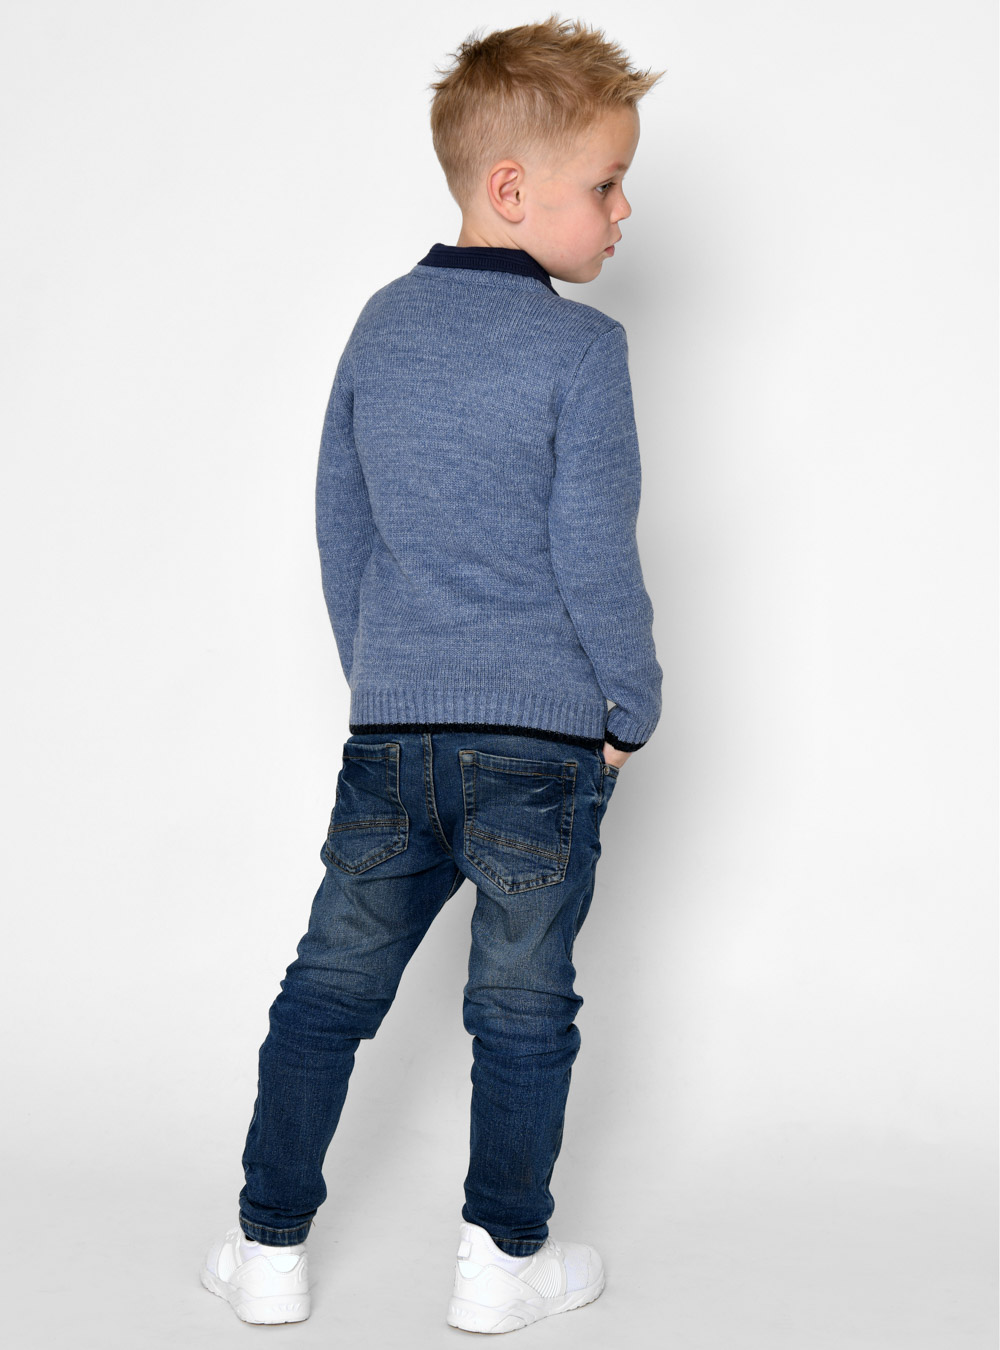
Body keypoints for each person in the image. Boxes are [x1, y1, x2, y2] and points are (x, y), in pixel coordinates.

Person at [200, 14, 665, 1334]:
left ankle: (268, 1249)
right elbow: (595, 553)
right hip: (541, 749)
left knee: (327, 989)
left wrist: (385, 677)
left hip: (393, 737)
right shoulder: (584, 351)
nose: (624, 211)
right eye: (606, 184)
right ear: (511, 190)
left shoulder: (381, 325)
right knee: (522, 1009)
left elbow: (340, 524)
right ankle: (497, 1265)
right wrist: (631, 704)